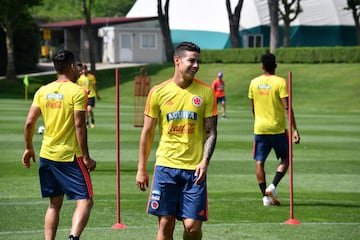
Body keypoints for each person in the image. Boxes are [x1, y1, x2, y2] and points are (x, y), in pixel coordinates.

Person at [136, 42, 218, 240]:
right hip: (166, 166)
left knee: (192, 227)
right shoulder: (158, 92)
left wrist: (205, 161)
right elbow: (147, 133)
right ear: (177, 61)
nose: (196, 65)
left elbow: (211, 133)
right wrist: (141, 168)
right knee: (166, 224)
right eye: (192, 60)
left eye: (198, 61)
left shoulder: (206, 92)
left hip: (195, 169)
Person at [22, 50, 96, 240]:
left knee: (54, 204)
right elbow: (80, 125)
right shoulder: (78, 91)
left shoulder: (43, 91)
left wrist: (29, 147)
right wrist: (86, 157)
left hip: (47, 155)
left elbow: (29, 123)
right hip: (70, 157)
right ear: (72, 67)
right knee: (85, 200)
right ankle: (73, 238)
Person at [248, 53, 300, 206]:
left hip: (260, 128)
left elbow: (253, 107)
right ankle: (273, 186)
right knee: (286, 159)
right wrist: (295, 129)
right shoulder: (280, 82)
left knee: (259, 162)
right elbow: (286, 106)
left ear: (262, 66)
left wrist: (259, 120)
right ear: (275, 65)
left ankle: (265, 197)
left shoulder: (254, 82)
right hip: (277, 128)